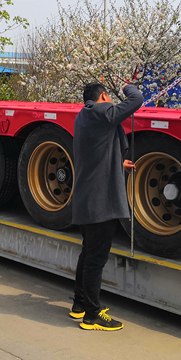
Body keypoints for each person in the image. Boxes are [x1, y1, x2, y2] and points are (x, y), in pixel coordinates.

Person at [70, 81, 143, 331]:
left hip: (86, 200)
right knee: (95, 260)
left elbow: (92, 152)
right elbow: (136, 101)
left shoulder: (83, 116)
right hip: (99, 203)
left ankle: (79, 306)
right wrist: (128, 87)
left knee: (88, 253)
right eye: (109, 97)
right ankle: (92, 316)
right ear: (103, 96)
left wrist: (116, 164)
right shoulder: (101, 111)